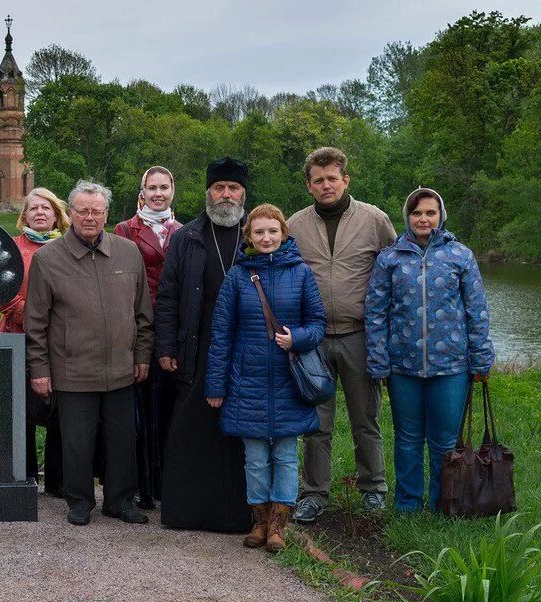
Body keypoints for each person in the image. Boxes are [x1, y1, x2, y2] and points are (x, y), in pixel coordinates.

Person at [24, 179, 153, 526]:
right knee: (77, 443)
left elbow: (142, 313)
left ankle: (120, 500)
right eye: (82, 211)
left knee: (122, 440)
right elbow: (35, 323)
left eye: (97, 211)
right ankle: (79, 501)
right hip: (72, 370)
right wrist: (39, 369)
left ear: (107, 214)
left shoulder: (128, 253)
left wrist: (142, 356)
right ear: (71, 213)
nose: (90, 218)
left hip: (122, 368)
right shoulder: (48, 260)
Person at [206, 204, 327, 552]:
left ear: (284, 233)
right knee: (256, 458)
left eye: (272, 231)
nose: (266, 237)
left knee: (287, 456)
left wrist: (297, 338)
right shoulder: (237, 277)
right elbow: (221, 334)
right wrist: (216, 386)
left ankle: (279, 527)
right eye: (259, 232)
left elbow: (318, 323)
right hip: (248, 383)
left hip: (290, 382)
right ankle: (259, 522)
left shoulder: (301, 273)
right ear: (248, 237)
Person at [365, 188, 494, 512]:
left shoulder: (460, 256)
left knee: (445, 442)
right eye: (417, 213)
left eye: (430, 213)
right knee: (407, 439)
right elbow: (376, 311)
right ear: (407, 217)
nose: (423, 219)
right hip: (402, 367)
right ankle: (407, 504)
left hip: (450, 367)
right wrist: (379, 359)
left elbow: (476, 310)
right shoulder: (390, 258)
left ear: (441, 216)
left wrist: (481, 358)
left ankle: (444, 503)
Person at [287, 147, 397, 523]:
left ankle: (373, 488)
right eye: (318, 180)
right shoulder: (295, 225)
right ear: (309, 186)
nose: (326, 185)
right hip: (313, 340)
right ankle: (314, 493)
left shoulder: (374, 219)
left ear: (345, 180)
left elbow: (396, 270)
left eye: (332, 178)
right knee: (316, 422)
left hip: (359, 335)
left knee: (365, 418)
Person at [155, 157, 252, 532]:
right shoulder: (187, 236)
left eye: (233, 189)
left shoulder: (258, 234)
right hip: (195, 344)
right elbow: (168, 295)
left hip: (246, 348)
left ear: (244, 194)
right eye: (219, 188)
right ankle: (188, 513)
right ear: (208, 192)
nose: (226, 195)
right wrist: (165, 346)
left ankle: (238, 515)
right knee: (190, 430)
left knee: (238, 433)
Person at [115, 166, 181, 509]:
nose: (158, 193)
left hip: (173, 329)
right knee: (140, 410)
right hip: (139, 326)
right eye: (152, 187)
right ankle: (141, 483)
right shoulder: (126, 230)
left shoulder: (183, 232)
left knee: (168, 409)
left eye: (164, 187)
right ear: (142, 192)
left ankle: (167, 481)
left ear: (173, 191)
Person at [0, 188, 70, 495]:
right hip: (18, 335)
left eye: (47, 208)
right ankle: (24, 478)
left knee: (60, 411)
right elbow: (1, 290)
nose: (40, 212)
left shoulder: (70, 247)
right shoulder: (10, 249)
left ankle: (58, 481)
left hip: (63, 341)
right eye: (33, 208)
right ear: (23, 215)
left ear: (57, 214)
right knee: (20, 410)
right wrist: (32, 316)